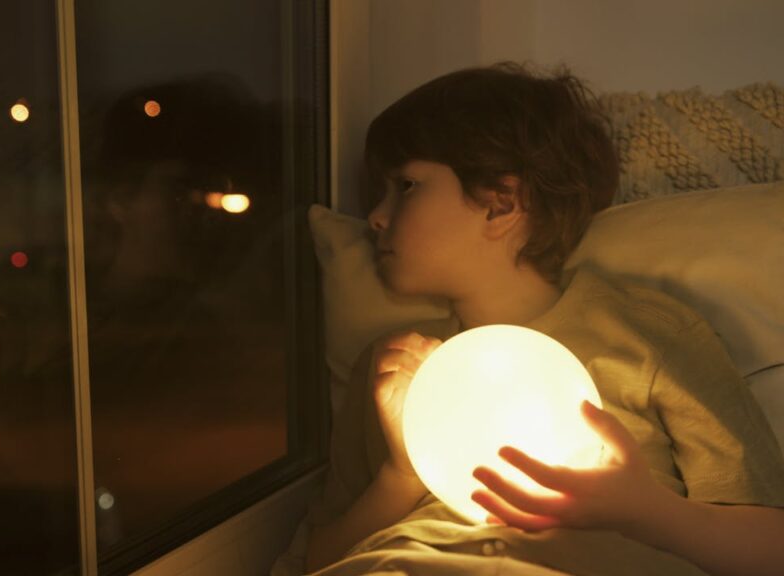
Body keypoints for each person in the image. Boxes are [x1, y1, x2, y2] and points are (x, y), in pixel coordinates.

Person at [302, 63, 784, 575]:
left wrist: (644, 510)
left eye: (406, 185)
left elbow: (769, 550)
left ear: (501, 201)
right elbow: (319, 561)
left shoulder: (646, 335)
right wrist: (400, 475)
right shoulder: (392, 374)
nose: (376, 215)